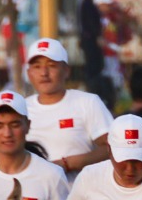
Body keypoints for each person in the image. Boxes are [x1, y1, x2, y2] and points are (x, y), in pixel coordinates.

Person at [21, 37, 112, 170]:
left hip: (79, 183)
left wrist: (69, 163)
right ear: (29, 74)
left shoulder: (87, 102)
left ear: (66, 71)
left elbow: (112, 147)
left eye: (51, 66)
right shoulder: (21, 108)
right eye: (37, 67)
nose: (44, 73)